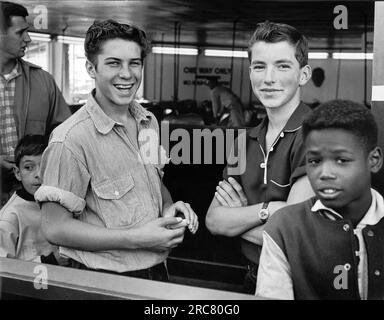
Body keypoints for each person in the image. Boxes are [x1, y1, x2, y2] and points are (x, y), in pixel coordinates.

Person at [35, 19, 198, 281]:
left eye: (134, 63)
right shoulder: (70, 139)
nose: (127, 74)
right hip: (101, 278)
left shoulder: (148, 122)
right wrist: (136, 238)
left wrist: (168, 207)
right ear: (91, 67)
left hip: (156, 271)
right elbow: (54, 228)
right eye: (113, 63)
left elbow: (153, 182)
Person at [205, 21, 314, 293]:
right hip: (253, 274)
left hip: (302, 280)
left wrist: (237, 221)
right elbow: (213, 221)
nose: (269, 78)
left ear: (303, 74)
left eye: (282, 66)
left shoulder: (317, 134)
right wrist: (269, 211)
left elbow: (293, 238)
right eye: (259, 66)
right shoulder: (244, 141)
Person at [256, 100, 384, 300]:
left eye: (341, 160)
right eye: (314, 161)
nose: (324, 173)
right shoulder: (285, 228)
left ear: (373, 160)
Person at [0, 1, 70, 200]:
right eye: (20, 32)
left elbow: (66, 136)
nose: (28, 38)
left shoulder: (43, 81)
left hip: (35, 196)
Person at [0, 135, 58, 261]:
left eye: (44, 166)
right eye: (28, 167)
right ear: (17, 173)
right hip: (31, 278)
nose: (38, 174)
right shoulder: (10, 217)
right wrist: (51, 260)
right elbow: (5, 268)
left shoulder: (59, 202)